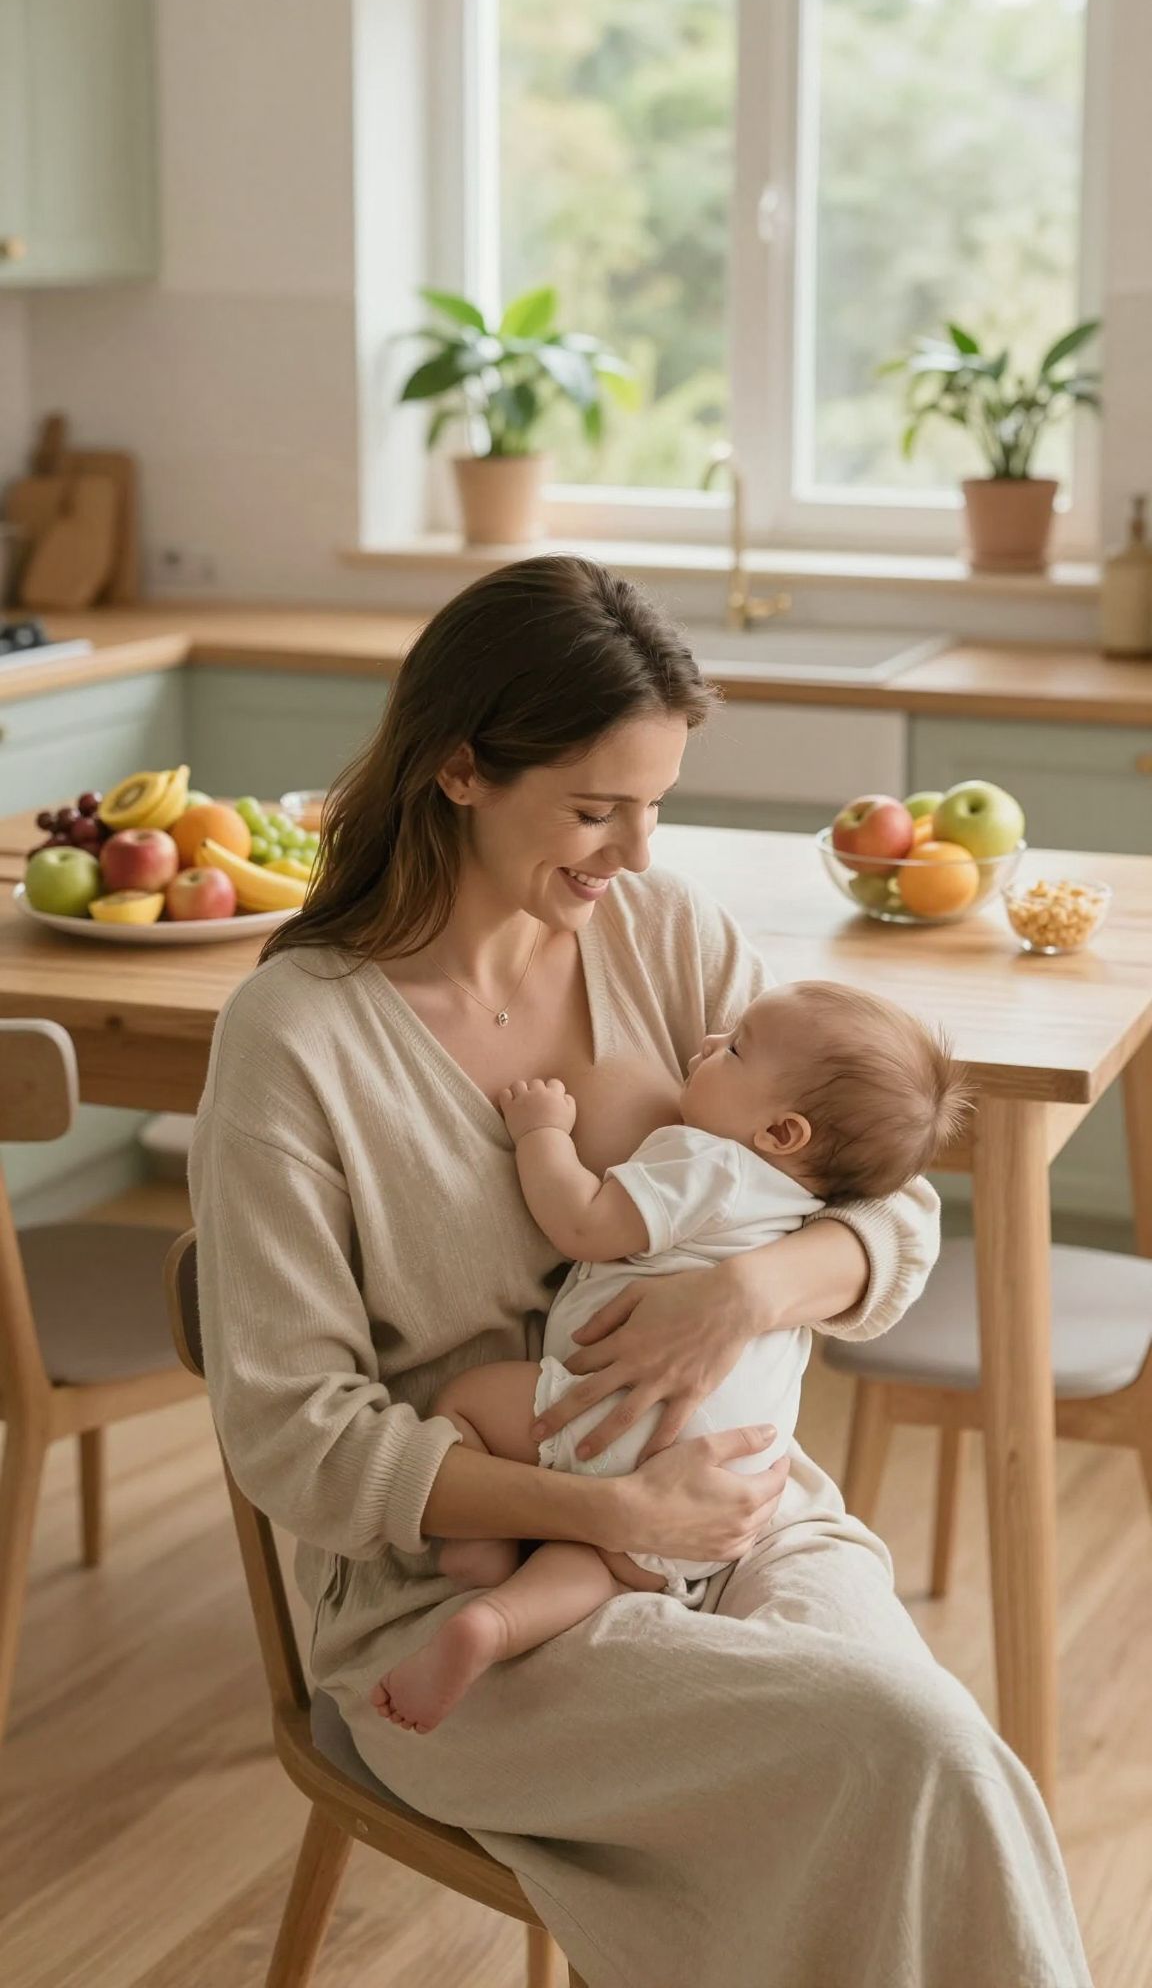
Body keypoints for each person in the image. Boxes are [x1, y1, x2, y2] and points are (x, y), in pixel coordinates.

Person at [191, 556, 1091, 1988]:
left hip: (739, 1518)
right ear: (460, 771)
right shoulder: (297, 1044)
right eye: (597, 809)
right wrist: (604, 1504)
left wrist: (747, 1291)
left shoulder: (663, 941)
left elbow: (892, 1204)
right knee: (892, 1754)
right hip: (460, 1605)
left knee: (930, 1762)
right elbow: (292, 1436)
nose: (637, 852)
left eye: (655, 804)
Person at [373, 980, 970, 1734]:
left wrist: (541, 1135)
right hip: (731, 1483)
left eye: (734, 1048)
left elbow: (585, 1225)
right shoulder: (805, 1206)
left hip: (621, 1425)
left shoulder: (707, 1163)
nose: (707, 1045)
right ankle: (495, 1623)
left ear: (781, 1133)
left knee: (467, 1397)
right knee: (602, 1558)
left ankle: (482, 1556)